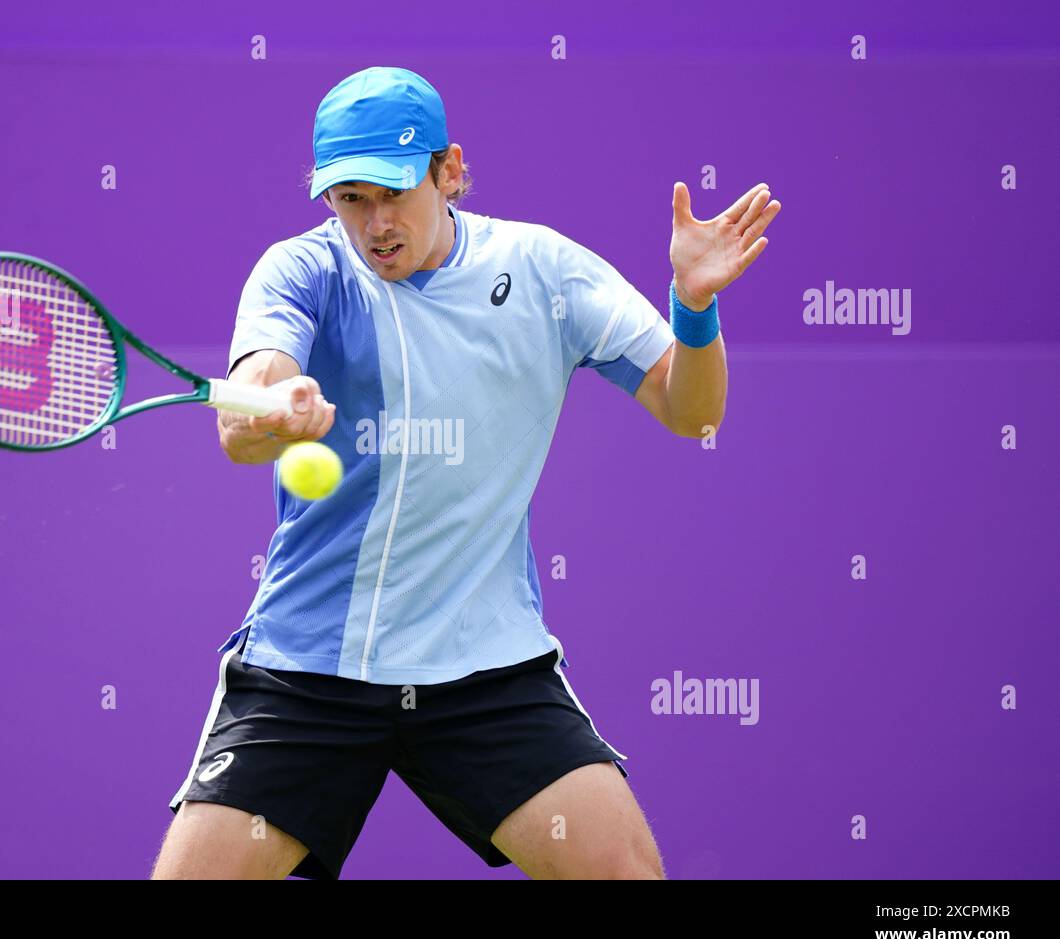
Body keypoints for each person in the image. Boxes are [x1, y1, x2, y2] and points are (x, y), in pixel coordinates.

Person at [153, 66, 779, 879]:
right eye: (349, 198)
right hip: (309, 674)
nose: (374, 223)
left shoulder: (544, 271)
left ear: (448, 170)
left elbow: (692, 412)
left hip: (484, 673)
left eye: (392, 191)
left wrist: (694, 309)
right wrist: (273, 409)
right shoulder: (301, 272)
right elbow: (246, 421)